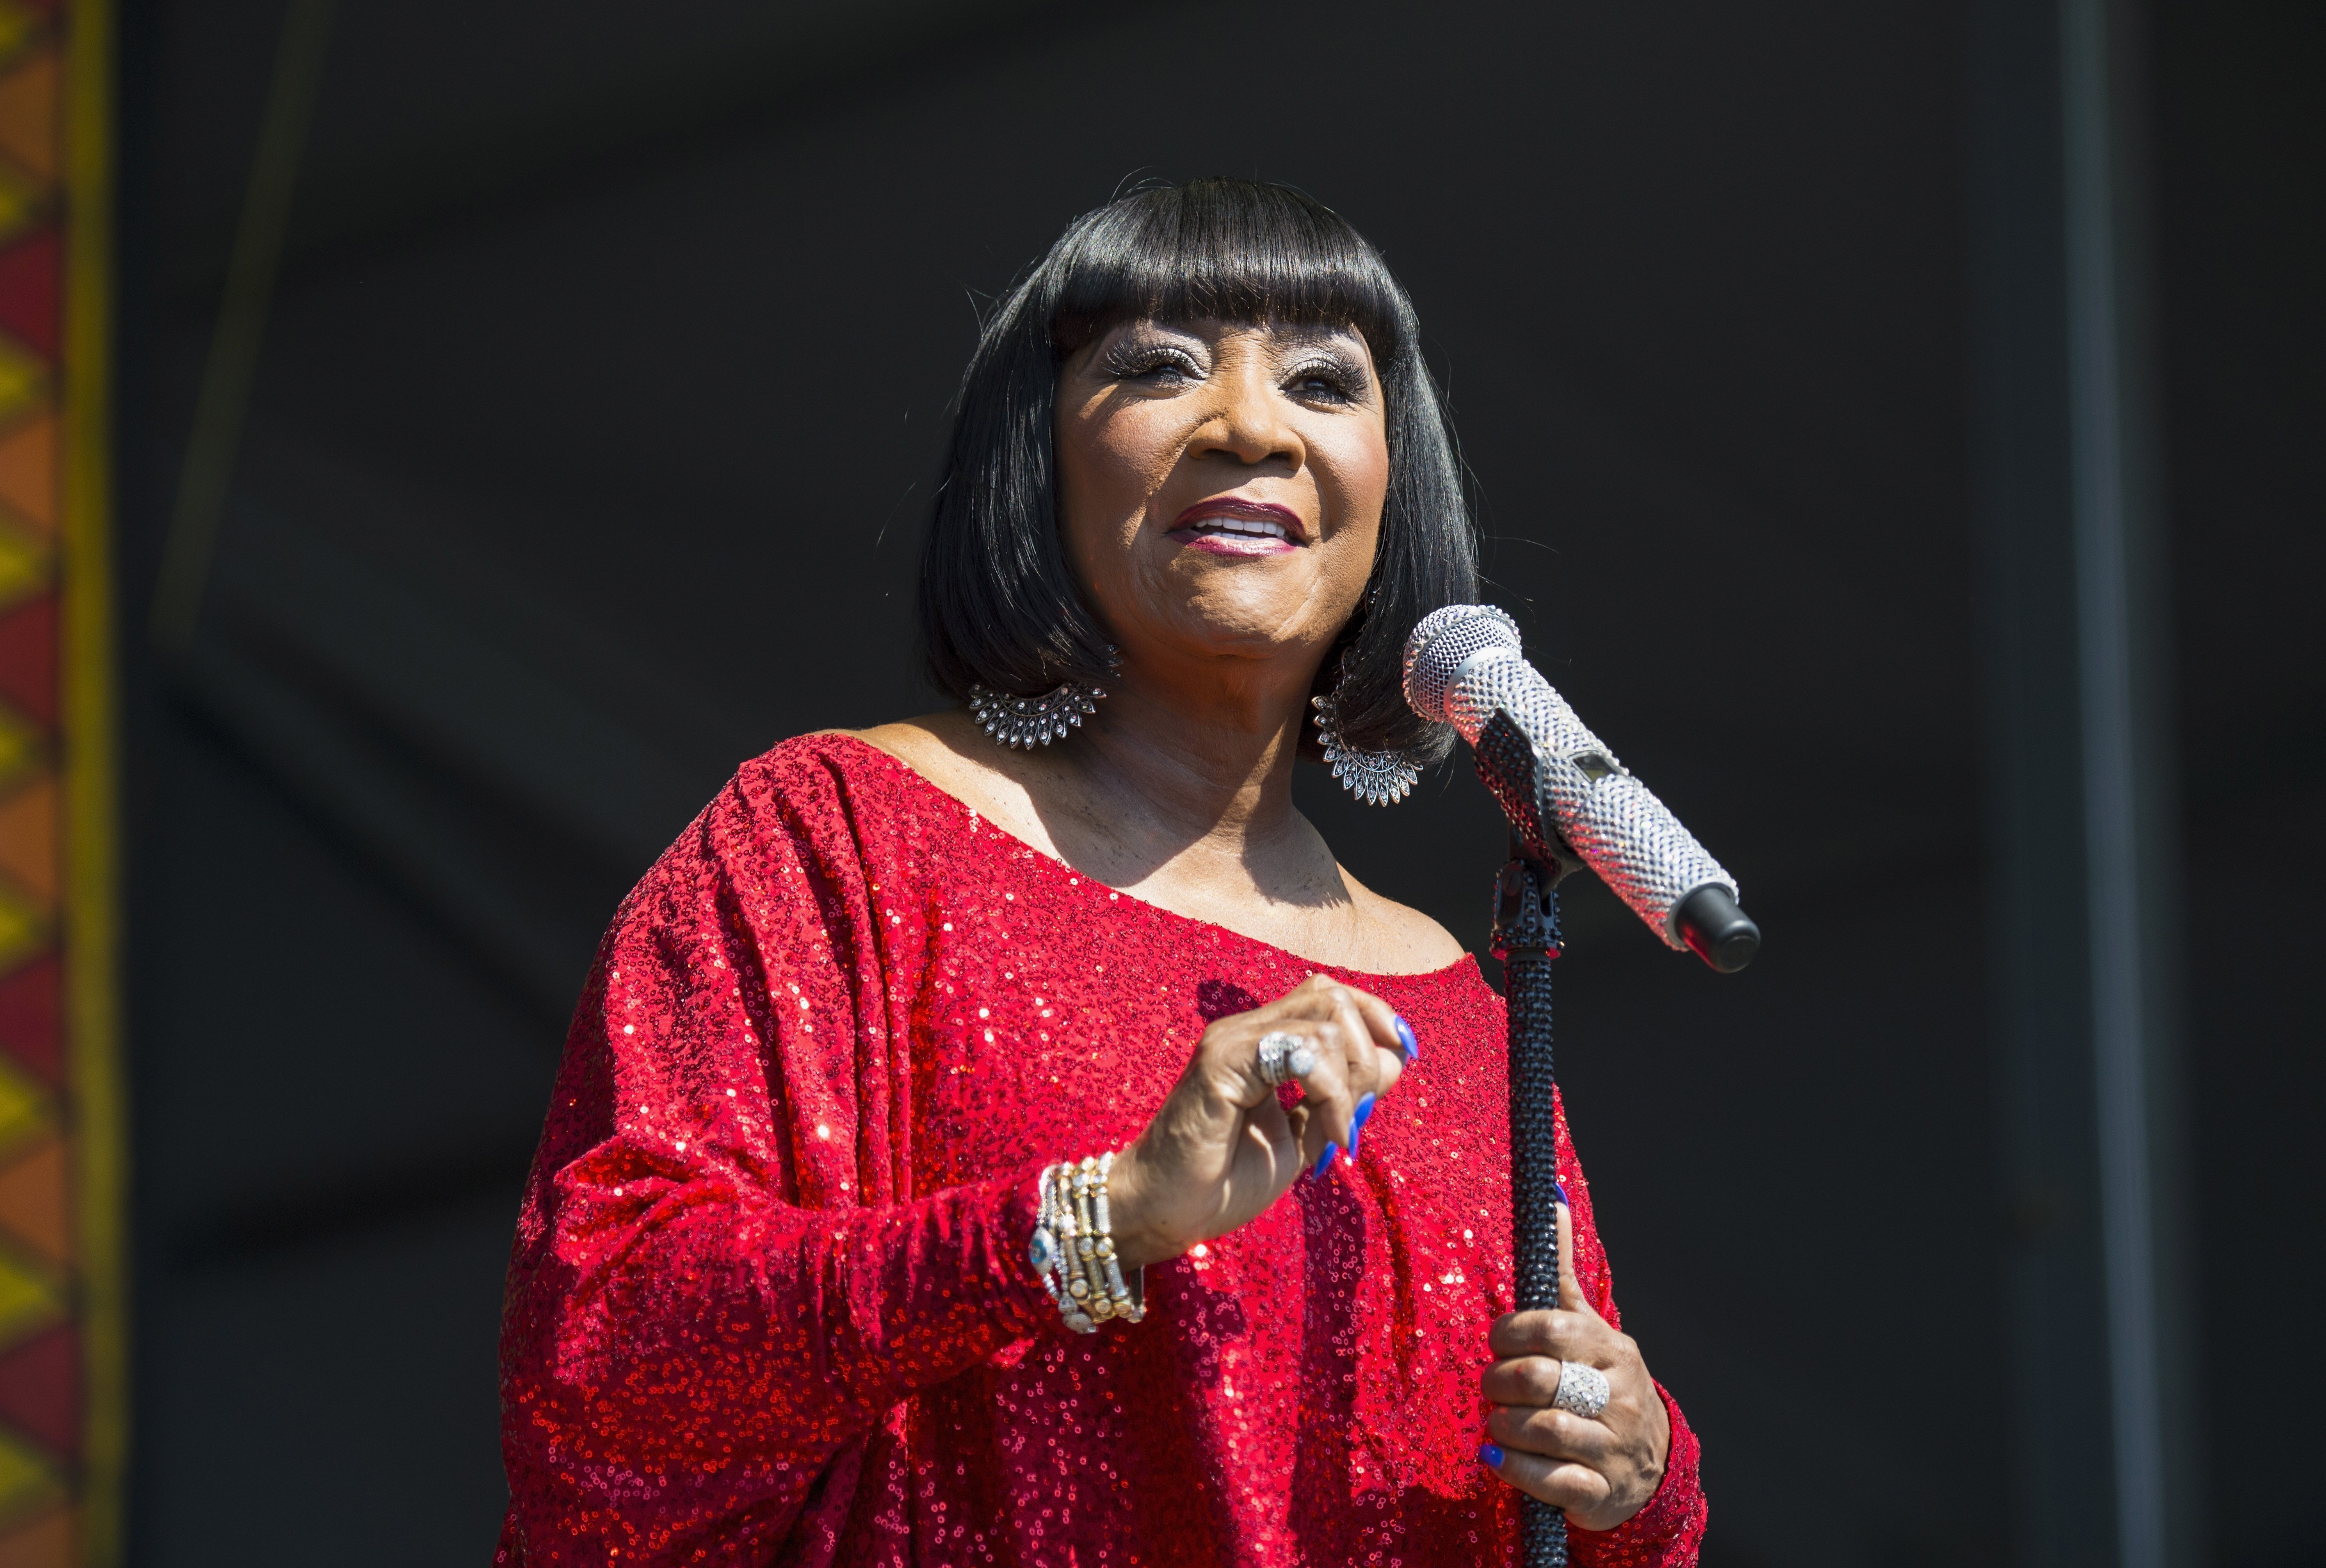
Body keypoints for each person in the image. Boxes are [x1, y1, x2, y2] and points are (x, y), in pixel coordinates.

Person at [495, 179, 1705, 1566]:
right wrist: (1104, 1217)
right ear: (1041, 456)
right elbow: (608, 1361)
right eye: (1159, 367)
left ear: (1393, 482)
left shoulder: (1463, 998)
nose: (1252, 426)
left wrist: (1640, 1480)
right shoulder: (832, 842)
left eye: (1323, 381)